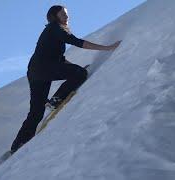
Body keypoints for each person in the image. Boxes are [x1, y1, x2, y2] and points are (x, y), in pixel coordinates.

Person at [10, 5, 121, 154]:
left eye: (67, 14)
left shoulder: (52, 32)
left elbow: (61, 59)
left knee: (36, 112)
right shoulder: (56, 29)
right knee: (80, 74)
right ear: (55, 16)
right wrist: (107, 48)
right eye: (63, 14)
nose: (67, 17)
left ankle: (18, 145)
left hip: (35, 72)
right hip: (43, 69)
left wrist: (76, 67)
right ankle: (55, 100)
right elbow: (77, 42)